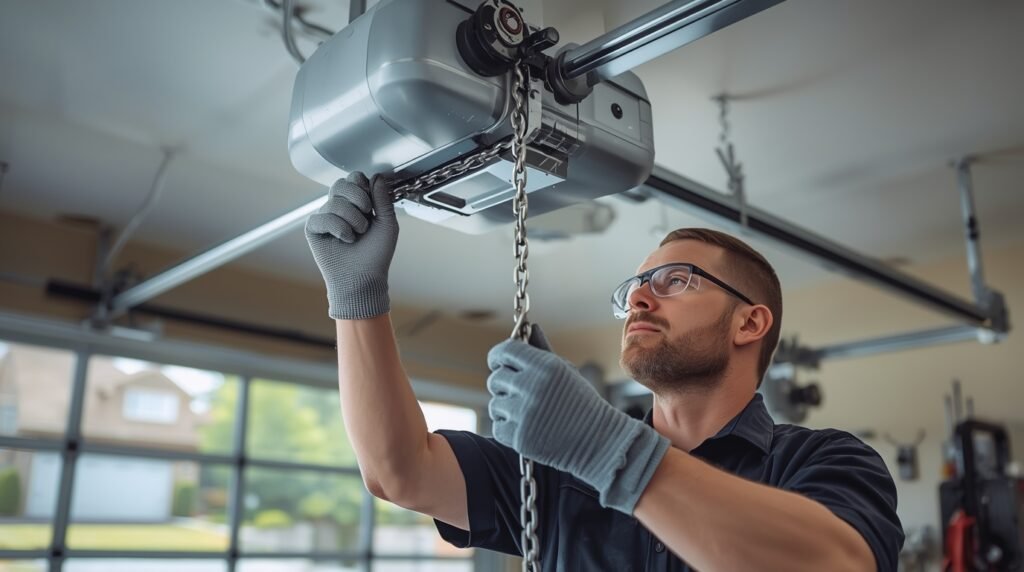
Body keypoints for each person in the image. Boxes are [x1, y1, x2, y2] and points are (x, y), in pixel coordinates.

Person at [305, 173, 905, 571]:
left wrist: (607, 449)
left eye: (675, 281)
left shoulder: (822, 461)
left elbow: (837, 565)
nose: (639, 298)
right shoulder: (557, 473)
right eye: (636, 287)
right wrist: (357, 302)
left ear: (749, 323)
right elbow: (399, 471)